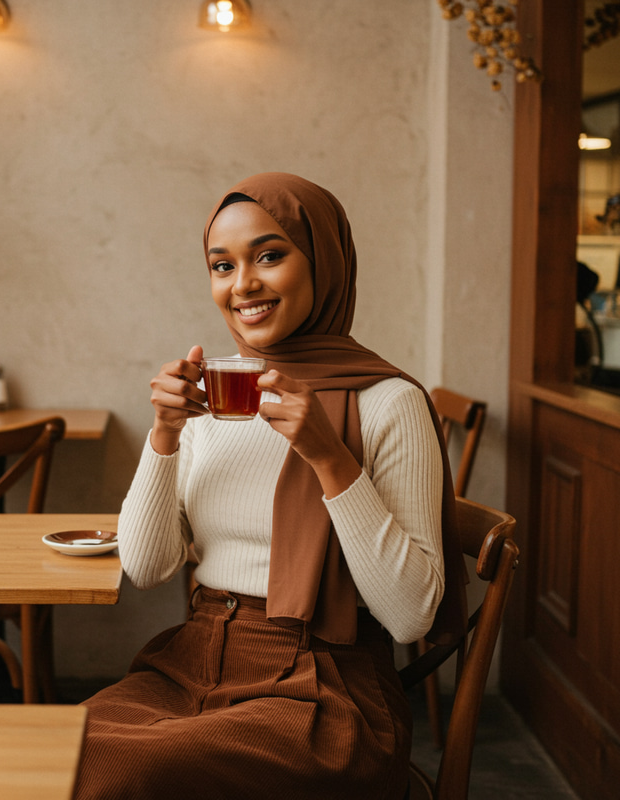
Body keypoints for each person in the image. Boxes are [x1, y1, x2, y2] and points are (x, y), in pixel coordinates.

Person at [74, 172, 466, 800]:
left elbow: (410, 614)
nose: (243, 284)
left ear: (324, 262)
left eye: (269, 256)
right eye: (222, 265)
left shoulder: (389, 402)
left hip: (323, 686)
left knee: (124, 769)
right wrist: (165, 434)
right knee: (59, 750)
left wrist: (329, 457)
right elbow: (146, 567)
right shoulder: (214, 399)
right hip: (192, 660)